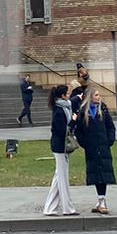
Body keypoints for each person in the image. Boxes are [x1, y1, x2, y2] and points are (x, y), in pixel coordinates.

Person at [75, 86, 117, 214]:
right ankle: (100, 200)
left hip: (103, 146)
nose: (99, 97)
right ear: (90, 97)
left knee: (103, 174)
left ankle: (102, 200)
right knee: (95, 174)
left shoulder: (103, 110)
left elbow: (110, 126)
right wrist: (85, 143)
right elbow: (79, 131)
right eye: (97, 95)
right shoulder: (83, 112)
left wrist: (109, 140)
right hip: (91, 147)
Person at [43, 85, 78, 216]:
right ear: (63, 96)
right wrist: (73, 122)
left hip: (61, 146)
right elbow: (63, 130)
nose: (69, 95)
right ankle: (67, 208)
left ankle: (50, 207)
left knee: (59, 177)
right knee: (63, 178)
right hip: (60, 147)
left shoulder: (65, 107)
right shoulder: (59, 110)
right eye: (68, 93)